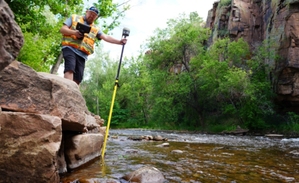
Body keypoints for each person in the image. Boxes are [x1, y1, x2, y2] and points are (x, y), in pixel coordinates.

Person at [60, 6, 127, 85]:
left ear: (96, 17)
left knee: (78, 77)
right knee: (70, 68)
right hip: (70, 48)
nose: (91, 16)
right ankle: (67, 90)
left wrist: (119, 42)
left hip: (82, 54)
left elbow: (105, 37)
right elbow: (62, 29)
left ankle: (74, 94)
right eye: (90, 13)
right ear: (86, 12)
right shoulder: (74, 17)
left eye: (94, 15)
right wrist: (74, 33)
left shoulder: (95, 28)